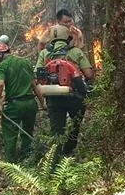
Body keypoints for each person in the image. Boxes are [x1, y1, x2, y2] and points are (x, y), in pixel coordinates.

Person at [36, 25, 93, 157]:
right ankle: (69, 151)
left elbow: (37, 75)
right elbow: (89, 74)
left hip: (53, 97)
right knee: (75, 124)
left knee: (56, 131)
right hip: (75, 96)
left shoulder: (44, 53)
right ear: (67, 36)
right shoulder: (76, 52)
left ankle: (54, 158)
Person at [0, 41, 46, 162]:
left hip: (14, 106)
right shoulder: (25, 62)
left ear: (0, 55)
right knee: (28, 132)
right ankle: (27, 160)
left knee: (10, 136)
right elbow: (34, 85)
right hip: (30, 104)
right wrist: (42, 103)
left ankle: (11, 164)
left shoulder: (2, 66)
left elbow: (0, 85)